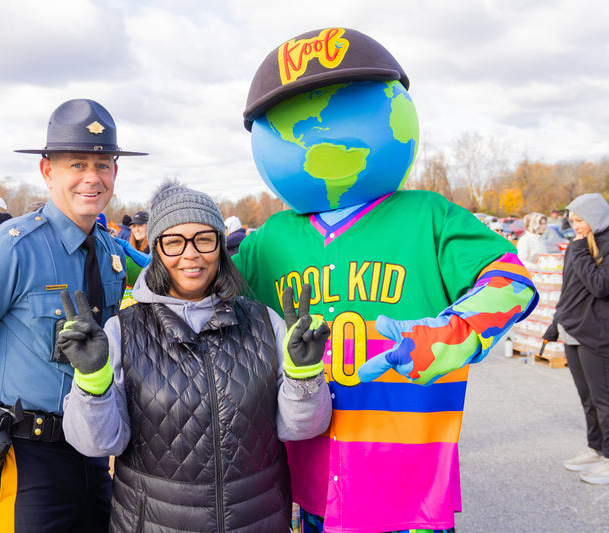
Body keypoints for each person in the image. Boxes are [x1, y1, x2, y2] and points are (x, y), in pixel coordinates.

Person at [235, 27, 538, 532]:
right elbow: (200, 294)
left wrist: (447, 337)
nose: (322, 131)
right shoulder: (272, 239)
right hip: (311, 481)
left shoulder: (426, 215)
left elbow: (512, 280)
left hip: (408, 484)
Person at [0, 98, 147, 533]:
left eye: (103, 165)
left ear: (115, 173)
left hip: (93, 451)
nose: (92, 177)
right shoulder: (11, 248)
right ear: (48, 172)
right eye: (77, 164)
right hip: (27, 458)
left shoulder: (108, 252)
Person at [61, 182, 332, 531]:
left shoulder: (266, 322)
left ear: (220, 245)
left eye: (204, 239)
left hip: (257, 521)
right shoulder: (122, 331)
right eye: (174, 242)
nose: (191, 254)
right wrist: (92, 383)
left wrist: (304, 375)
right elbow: (97, 444)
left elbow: (301, 427)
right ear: (156, 249)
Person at [543, 193, 609, 485]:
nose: (577, 226)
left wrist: (581, 250)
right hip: (572, 329)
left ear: (595, 217)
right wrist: (555, 323)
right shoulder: (577, 245)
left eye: (581, 220)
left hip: (597, 333)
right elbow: (569, 289)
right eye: (573, 220)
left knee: (603, 399)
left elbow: (600, 286)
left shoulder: (598, 245)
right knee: (587, 398)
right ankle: (596, 449)